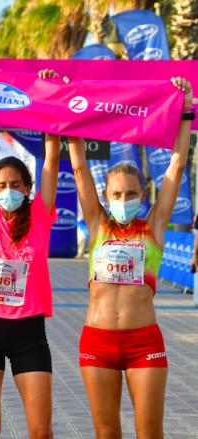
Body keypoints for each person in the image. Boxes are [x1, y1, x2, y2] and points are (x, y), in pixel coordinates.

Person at [69, 77, 193, 438]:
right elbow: (79, 170)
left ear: (143, 194)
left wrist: (185, 109)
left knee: (149, 433)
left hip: (144, 343)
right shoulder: (97, 224)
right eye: (117, 194)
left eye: (132, 193)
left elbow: (176, 165)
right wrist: (65, 107)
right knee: (107, 433)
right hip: (97, 342)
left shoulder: (153, 224)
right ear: (106, 196)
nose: (124, 199)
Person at [0, 68, 61, 438]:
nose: (9, 190)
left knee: (40, 430)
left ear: (27, 187)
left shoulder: (39, 213)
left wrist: (51, 96)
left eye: (16, 185)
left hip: (29, 332)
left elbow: (51, 160)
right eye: (2, 185)